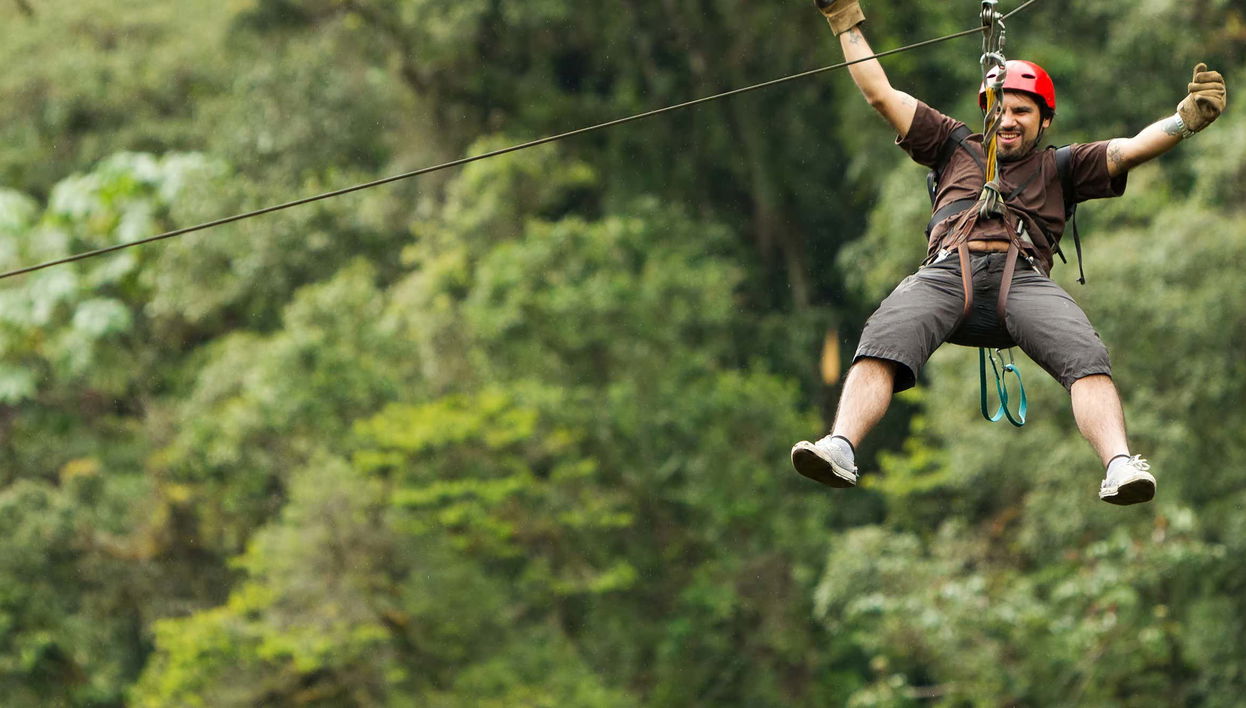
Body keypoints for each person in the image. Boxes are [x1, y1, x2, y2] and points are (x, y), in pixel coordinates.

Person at [790, 0, 1227, 505]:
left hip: (1022, 281)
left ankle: (1120, 464)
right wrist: (843, 19)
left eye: (1022, 111)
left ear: (1044, 122)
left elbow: (1131, 148)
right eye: (1001, 108)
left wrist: (1184, 122)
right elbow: (879, 94)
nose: (1009, 120)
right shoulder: (953, 146)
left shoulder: (1062, 166)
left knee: (1086, 355)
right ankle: (840, 446)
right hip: (946, 274)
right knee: (885, 336)